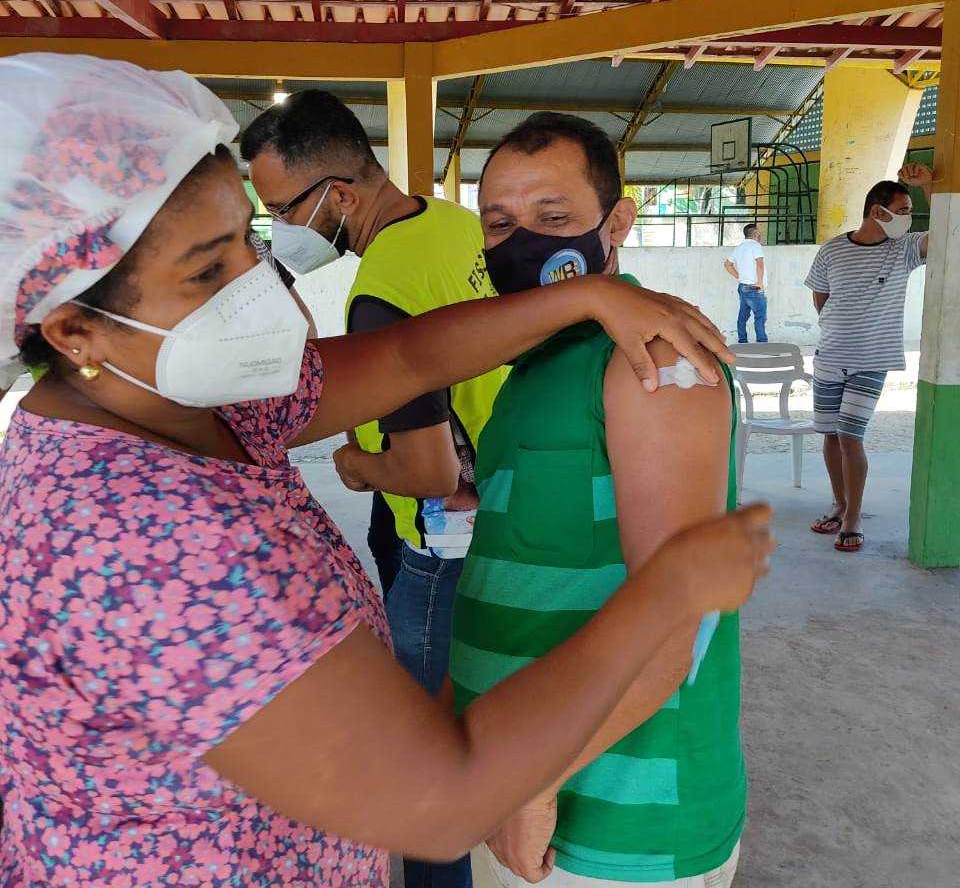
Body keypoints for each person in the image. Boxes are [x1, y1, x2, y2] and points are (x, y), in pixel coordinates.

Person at [0, 54, 774, 888]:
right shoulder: (127, 531)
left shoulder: (187, 396)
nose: (259, 284)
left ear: (617, 222)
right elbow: (439, 800)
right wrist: (675, 585)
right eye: (205, 269)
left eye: (248, 240)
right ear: (73, 330)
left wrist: (581, 299)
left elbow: (406, 355)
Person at [449, 113, 751, 888]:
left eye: (554, 219)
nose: (524, 243)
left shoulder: (653, 358)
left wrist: (533, 785)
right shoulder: (536, 361)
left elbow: (676, 613)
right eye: (501, 223)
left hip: (613, 830)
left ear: (617, 221)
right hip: (521, 791)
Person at [242, 93, 506, 888]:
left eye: (282, 210)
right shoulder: (453, 222)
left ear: (340, 197)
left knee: (421, 766)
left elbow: (424, 469)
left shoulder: (379, 290)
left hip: (434, 540)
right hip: (499, 513)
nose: (278, 229)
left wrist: (356, 468)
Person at [806, 164, 930, 553]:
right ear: (878, 212)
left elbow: (948, 229)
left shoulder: (905, 250)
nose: (908, 220)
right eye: (904, 210)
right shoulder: (832, 250)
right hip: (829, 358)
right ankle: (839, 504)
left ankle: (853, 518)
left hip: (872, 361)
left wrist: (927, 187)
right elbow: (820, 298)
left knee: (850, 435)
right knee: (829, 434)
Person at [723, 222, 767, 343]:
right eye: (759, 232)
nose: (760, 235)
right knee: (760, 317)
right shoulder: (755, 246)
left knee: (743, 316)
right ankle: (762, 344)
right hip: (755, 288)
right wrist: (760, 282)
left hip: (743, 287)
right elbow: (760, 264)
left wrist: (740, 277)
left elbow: (727, 264)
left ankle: (742, 341)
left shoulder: (739, 248)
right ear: (755, 233)